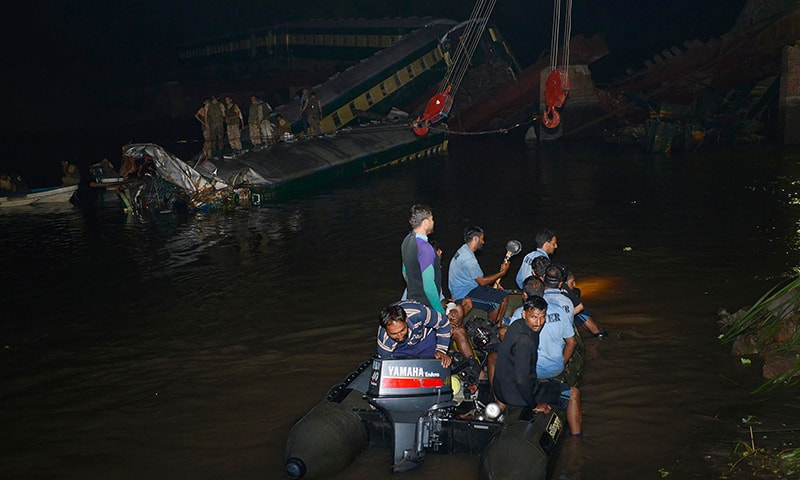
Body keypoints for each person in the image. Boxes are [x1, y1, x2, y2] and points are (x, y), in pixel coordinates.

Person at [493, 296, 582, 436]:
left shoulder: (516, 325)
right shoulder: (525, 340)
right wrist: (534, 404)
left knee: (542, 381)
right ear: (524, 314)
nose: (539, 323)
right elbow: (523, 380)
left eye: (542, 317)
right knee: (573, 394)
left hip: (501, 388)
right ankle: (578, 440)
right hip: (515, 393)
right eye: (534, 317)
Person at [447, 226, 510, 325]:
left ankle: (498, 325)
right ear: (476, 239)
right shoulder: (469, 259)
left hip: (469, 287)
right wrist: (502, 273)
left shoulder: (464, 249)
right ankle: (490, 329)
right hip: (463, 293)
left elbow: (477, 280)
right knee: (496, 302)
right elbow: (482, 281)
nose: (483, 242)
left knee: (504, 296)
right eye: (482, 238)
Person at [377, 300, 451, 367]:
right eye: (394, 334)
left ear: (406, 320)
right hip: (401, 350)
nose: (400, 336)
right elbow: (385, 365)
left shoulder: (419, 312)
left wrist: (441, 350)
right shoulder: (384, 341)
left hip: (424, 341)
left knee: (437, 367)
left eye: (402, 330)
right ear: (386, 331)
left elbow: (443, 323)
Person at [401, 204, 445, 313]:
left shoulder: (406, 241)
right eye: (431, 219)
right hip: (426, 306)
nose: (433, 222)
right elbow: (429, 287)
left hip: (413, 301)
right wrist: (440, 312)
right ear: (425, 222)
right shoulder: (425, 248)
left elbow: (404, 271)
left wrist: (415, 287)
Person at [538, 264, 577, 380]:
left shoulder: (537, 301)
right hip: (558, 354)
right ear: (560, 284)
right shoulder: (568, 303)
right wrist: (562, 364)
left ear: (543, 279)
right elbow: (569, 338)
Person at [562, 269, 609, 338]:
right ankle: (597, 333)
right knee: (583, 313)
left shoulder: (575, 292)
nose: (574, 285)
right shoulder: (564, 293)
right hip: (566, 315)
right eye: (572, 282)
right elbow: (580, 308)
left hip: (570, 314)